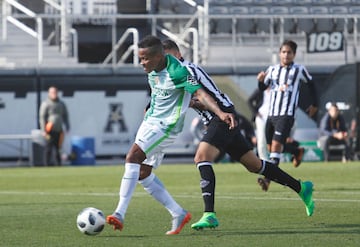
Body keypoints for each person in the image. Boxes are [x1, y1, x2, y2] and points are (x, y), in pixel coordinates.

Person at [163, 39, 315, 231]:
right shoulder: (177, 73)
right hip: (219, 117)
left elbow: (203, 96)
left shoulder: (187, 70)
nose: (165, 62)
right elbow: (197, 98)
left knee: (201, 157)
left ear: (176, 54)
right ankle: (302, 188)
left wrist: (198, 105)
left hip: (222, 116)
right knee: (255, 165)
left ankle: (209, 214)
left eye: (167, 57)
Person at [106, 35, 236, 235]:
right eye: (140, 58)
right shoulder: (153, 69)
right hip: (150, 123)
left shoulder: (178, 72)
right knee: (143, 173)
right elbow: (163, 94)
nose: (141, 63)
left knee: (132, 157)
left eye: (145, 59)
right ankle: (178, 213)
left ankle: (119, 213)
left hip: (166, 127)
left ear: (159, 56)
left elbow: (200, 93)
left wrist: (220, 113)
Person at [256, 40, 318, 192]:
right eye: (283, 52)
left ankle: (267, 181)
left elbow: (311, 84)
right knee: (272, 148)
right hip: (272, 115)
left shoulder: (299, 69)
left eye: (289, 52)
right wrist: (260, 81)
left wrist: (315, 104)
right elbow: (263, 87)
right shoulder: (272, 70)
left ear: (294, 54)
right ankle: (296, 151)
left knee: (276, 148)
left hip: (287, 115)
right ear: (279, 53)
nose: (286, 55)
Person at [247, 88, 305, 167]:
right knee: (262, 141)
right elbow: (250, 101)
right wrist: (256, 113)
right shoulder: (261, 90)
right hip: (261, 118)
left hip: (275, 117)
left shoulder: (279, 89)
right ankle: (264, 163)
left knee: (276, 143)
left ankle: (295, 151)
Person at [39, 86, 70, 166]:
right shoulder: (46, 103)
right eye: (52, 92)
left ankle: (58, 165)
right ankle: (46, 165)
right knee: (48, 147)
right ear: (49, 93)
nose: (54, 94)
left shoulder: (61, 103)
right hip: (49, 130)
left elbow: (65, 115)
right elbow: (42, 117)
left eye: (55, 92)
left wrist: (67, 126)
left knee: (58, 148)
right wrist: (43, 130)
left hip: (59, 129)